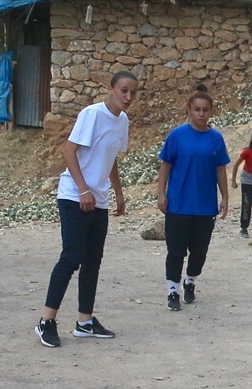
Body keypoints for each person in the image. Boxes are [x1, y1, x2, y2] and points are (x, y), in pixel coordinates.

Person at [34, 70, 138, 348]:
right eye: (124, 90)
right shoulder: (92, 114)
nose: (128, 97)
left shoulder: (123, 121)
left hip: (99, 199)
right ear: (111, 88)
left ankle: (85, 321)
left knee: (92, 261)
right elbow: (69, 151)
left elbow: (111, 157)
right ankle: (46, 321)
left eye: (132, 92)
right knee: (71, 257)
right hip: (74, 196)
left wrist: (118, 192)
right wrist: (83, 189)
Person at [157, 84, 229, 312]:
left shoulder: (216, 139)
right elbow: (165, 165)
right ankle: (172, 290)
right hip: (178, 204)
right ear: (189, 109)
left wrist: (225, 197)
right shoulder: (177, 136)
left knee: (199, 251)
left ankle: (190, 281)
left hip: (205, 206)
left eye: (205, 110)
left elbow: (220, 170)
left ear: (211, 112)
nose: (201, 114)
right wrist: (161, 193)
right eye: (197, 109)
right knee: (176, 250)